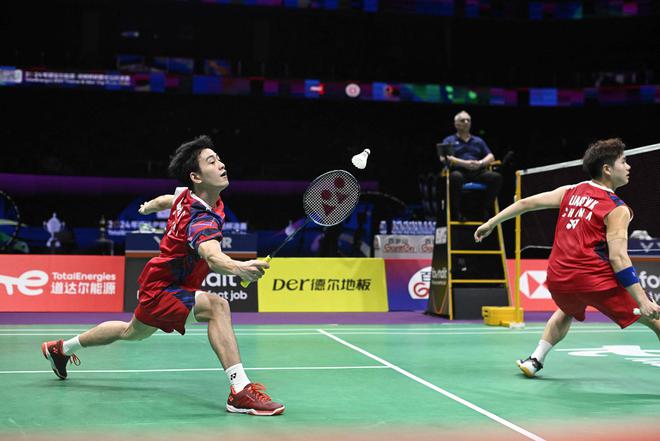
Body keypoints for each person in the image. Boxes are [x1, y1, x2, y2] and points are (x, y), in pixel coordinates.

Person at [41, 135, 285, 416]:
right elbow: (212, 256)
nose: (221, 164)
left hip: (157, 282)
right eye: (212, 161)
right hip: (165, 288)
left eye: (219, 159)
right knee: (218, 306)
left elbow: (166, 200)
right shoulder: (201, 218)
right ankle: (240, 391)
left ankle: (61, 349)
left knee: (131, 332)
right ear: (196, 177)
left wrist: (149, 207)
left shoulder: (188, 196)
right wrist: (240, 268)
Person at [474, 138, 660, 378]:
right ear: (607, 169)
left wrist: (491, 223)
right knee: (655, 319)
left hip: (558, 279)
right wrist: (643, 301)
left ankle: (535, 359)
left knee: (565, 309)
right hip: (593, 280)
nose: (628, 167)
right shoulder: (617, 208)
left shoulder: (571, 191)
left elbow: (527, 203)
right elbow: (618, 259)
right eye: (623, 162)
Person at [440, 110, 502, 221]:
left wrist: (480, 163)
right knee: (455, 177)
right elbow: (444, 157)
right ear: (456, 124)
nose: (466, 122)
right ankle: (456, 213)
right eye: (463, 120)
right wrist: (464, 163)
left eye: (468, 120)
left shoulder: (478, 141)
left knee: (496, 177)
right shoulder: (449, 140)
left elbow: (491, 156)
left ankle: (485, 210)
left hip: (478, 171)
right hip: (459, 171)